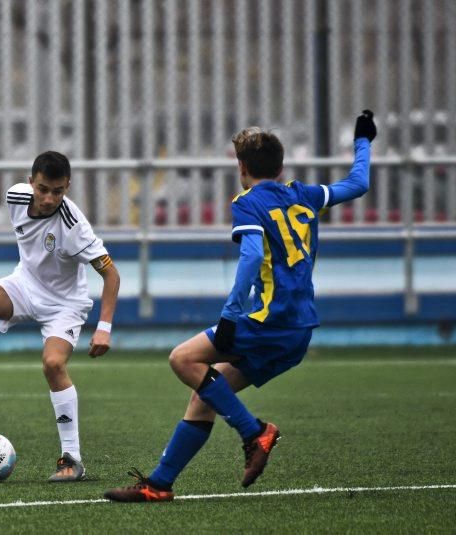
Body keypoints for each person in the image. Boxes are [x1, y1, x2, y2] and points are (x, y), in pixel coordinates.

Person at [104, 111, 377, 502]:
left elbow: (251, 259)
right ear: (281, 167)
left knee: (182, 360)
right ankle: (159, 485)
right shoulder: (305, 194)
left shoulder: (248, 203)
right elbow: (358, 183)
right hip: (299, 331)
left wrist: (230, 315)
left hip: (269, 321)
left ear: (241, 167)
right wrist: (363, 140)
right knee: (206, 393)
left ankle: (255, 432)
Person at [0, 150, 121, 482]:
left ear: (67, 187)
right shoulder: (15, 196)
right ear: (31, 183)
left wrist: (104, 328)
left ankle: (72, 459)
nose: (48, 198)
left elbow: (111, 276)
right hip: (25, 284)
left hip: (64, 304)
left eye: (57, 191)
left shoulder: (74, 225)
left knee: (53, 365)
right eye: (42, 189)